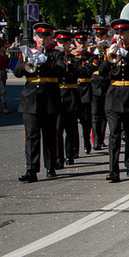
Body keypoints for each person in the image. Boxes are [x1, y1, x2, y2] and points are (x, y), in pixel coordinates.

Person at [14, 23, 65, 182]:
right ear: (35, 37)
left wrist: (46, 61)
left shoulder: (56, 54)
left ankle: (50, 166)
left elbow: (61, 71)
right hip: (30, 99)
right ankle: (31, 170)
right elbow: (16, 72)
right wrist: (25, 62)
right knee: (31, 136)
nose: (43, 40)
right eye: (40, 36)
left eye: (46, 37)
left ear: (51, 38)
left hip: (49, 98)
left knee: (50, 134)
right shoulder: (27, 52)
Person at [99, 18, 129, 182]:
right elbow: (101, 73)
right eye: (117, 33)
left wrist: (126, 55)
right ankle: (113, 170)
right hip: (113, 95)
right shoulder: (110, 50)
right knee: (114, 134)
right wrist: (108, 59)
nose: (119, 36)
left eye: (122, 33)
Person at [55, 30, 81, 167]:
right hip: (58, 94)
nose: (63, 45)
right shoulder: (54, 57)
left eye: (65, 42)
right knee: (58, 129)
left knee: (70, 128)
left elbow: (79, 71)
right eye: (60, 42)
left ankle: (70, 154)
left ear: (70, 43)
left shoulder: (74, 58)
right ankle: (59, 158)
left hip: (71, 94)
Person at [90, 24, 111, 151]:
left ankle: (102, 138)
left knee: (105, 113)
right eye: (97, 36)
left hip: (108, 82)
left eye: (101, 35)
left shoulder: (110, 48)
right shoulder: (91, 49)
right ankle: (96, 140)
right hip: (95, 83)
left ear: (106, 36)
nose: (99, 38)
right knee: (95, 114)